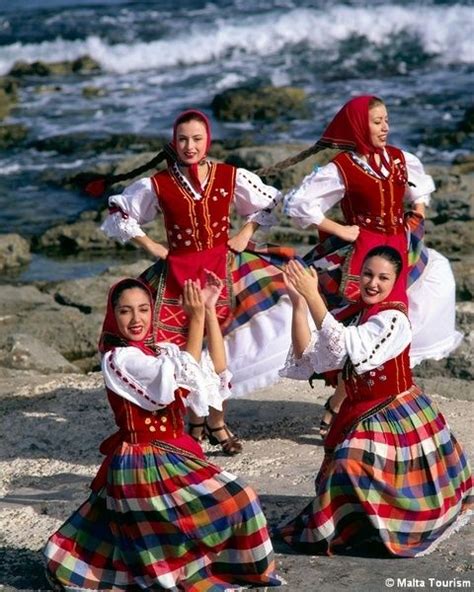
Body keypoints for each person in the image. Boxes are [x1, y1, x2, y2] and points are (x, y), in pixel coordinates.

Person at [43, 276, 284, 591]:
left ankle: (218, 566)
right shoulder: (118, 359)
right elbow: (172, 381)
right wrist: (195, 318)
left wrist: (208, 311)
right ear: (112, 315)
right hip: (141, 461)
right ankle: (188, 568)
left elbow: (213, 368)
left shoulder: (163, 351)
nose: (136, 318)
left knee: (240, 499)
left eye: (143, 309)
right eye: (126, 311)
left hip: (172, 452)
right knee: (236, 499)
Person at [99, 108, 294, 453]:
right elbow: (121, 213)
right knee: (183, 355)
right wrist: (151, 244)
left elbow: (269, 203)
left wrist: (245, 233)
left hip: (225, 269)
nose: (190, 146)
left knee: (225, 350)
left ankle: (216, 422)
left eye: (197, 139)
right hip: (176, 275)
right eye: (183, 139)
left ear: (208, 141)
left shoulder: (230, 175)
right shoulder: (158, 184)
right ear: (174, 142)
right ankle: (193, 422)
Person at [279, 95, 462, 437]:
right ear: (359, 126)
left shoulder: (398, 158)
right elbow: (300, 205)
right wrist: (339, 229)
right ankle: (345, 403)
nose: (385, 127)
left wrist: (418, 211)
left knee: (393, 327)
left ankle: (352, 404)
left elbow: (419, 185)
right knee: (362, 329)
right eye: (377, 121)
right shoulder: (342, 167)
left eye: (386, 120)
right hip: (365, 254)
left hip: (400, 250)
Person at [276, 248, 472, 557]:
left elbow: (350, 348)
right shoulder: (351, 313)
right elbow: (307, 357)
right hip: (358, 411)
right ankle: (360, 524)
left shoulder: (394, 320)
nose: (373, 284)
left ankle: (393, 523)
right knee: (345, 466)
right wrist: (299, 302)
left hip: (394, 411)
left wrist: (314, 295)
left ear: (395, 281)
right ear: (358, 274)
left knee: (351, 462)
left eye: (383, 278)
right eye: (368, 274)